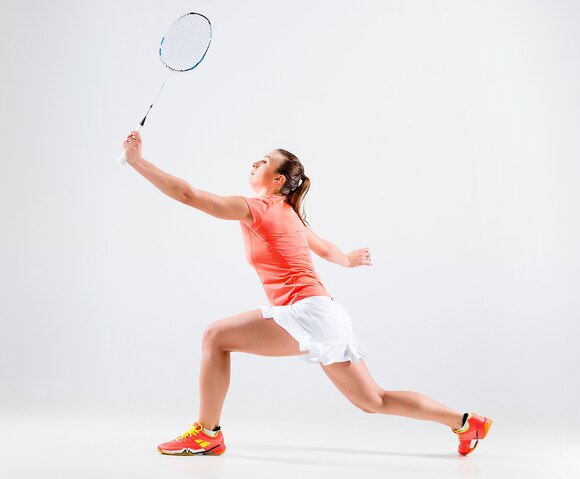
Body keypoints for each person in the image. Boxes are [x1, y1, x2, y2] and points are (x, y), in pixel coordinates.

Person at [121, 130, 493, 457]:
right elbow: (327, 249)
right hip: (326, 313)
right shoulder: (291, 214)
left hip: (307, 313)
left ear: (277, 177)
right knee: (373, 400)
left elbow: (187, 194)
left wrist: (139, 163)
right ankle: (465, 422)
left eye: (263, 161)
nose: (254, 162)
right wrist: (347, 260)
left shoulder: (257, 207)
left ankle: (206, 434)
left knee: (214, 336)